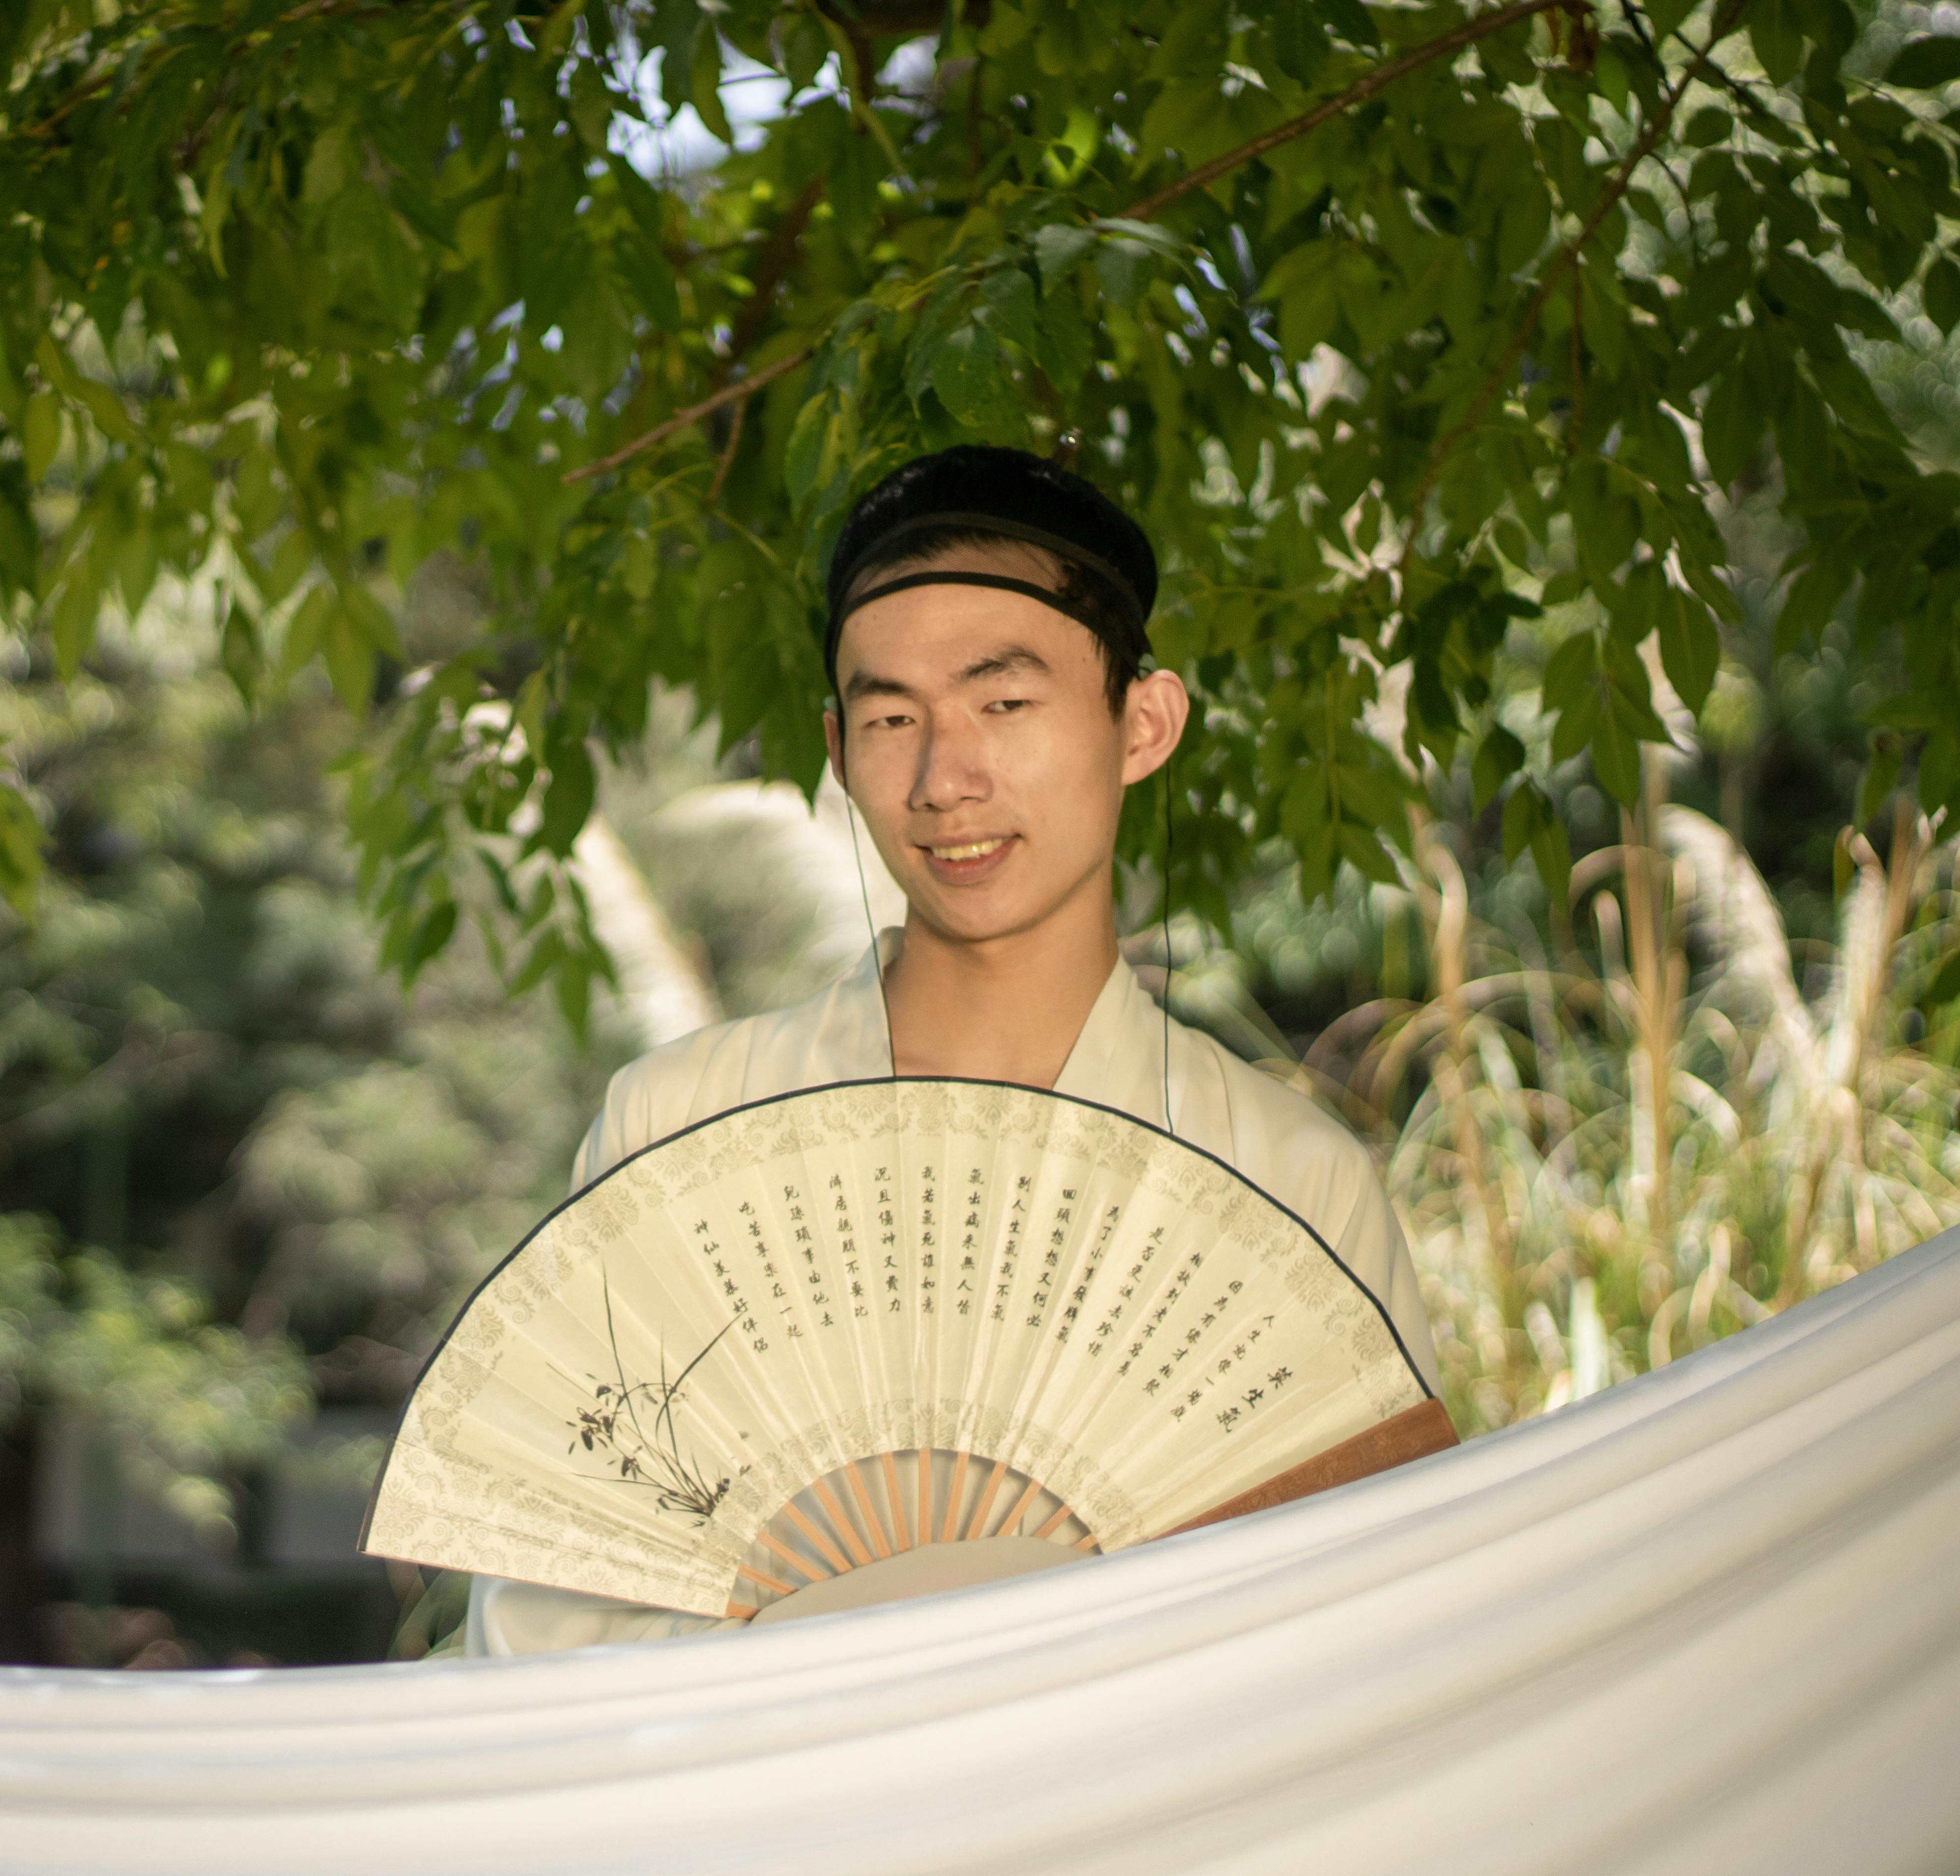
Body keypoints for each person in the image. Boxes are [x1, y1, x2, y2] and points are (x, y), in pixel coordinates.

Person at [460, 443, 1435, 1658]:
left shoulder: (1288, 1177)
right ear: (837, 749)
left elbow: (1366, 1633)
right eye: (891, 718)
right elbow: (554, 1620)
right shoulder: (684, 1122)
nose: (944, 778)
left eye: (1004, 704)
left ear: (1144, 723)